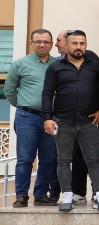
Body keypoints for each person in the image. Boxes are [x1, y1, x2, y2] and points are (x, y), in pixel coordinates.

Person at [41, 30, 99, 212]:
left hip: (89, 122)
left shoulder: (95, 65)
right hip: (63, 121)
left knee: (93, 160)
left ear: (86, 45)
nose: (79, 47)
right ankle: (67, 194)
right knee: (63, 160)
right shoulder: (55, 67)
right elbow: (47, 93)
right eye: (74, 43)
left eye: (82, 43)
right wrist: (47, 119)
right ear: (66, 45)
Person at [6, 28, 58, 207]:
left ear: (51, 44)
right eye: (38, 41)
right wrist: (24, 105)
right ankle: (21, 196)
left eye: (46, 42)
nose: (42, 45)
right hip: (27, 117)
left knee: (48, 159)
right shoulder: (19, 64)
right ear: (31, 43)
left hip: (52, 119)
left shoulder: (58, 65)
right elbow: (9, 91)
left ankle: (41, 195)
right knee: (25, 159)